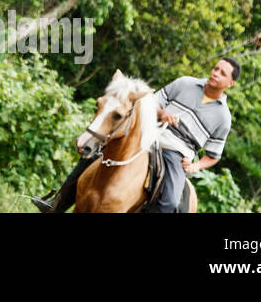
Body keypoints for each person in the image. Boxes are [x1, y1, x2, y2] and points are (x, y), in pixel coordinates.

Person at [32, 57, 239, 213]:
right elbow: (152, 102)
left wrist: (195, 166)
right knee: (95, 153)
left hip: (177, 152)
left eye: (222, 73)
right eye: (216, 68)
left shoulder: (223, 117)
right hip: (150, 134)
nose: (215, 73)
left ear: (230, 83)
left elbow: (214, 155)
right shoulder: (185, 83)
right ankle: (57, 203)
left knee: (171, 201)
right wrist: (162, 113)